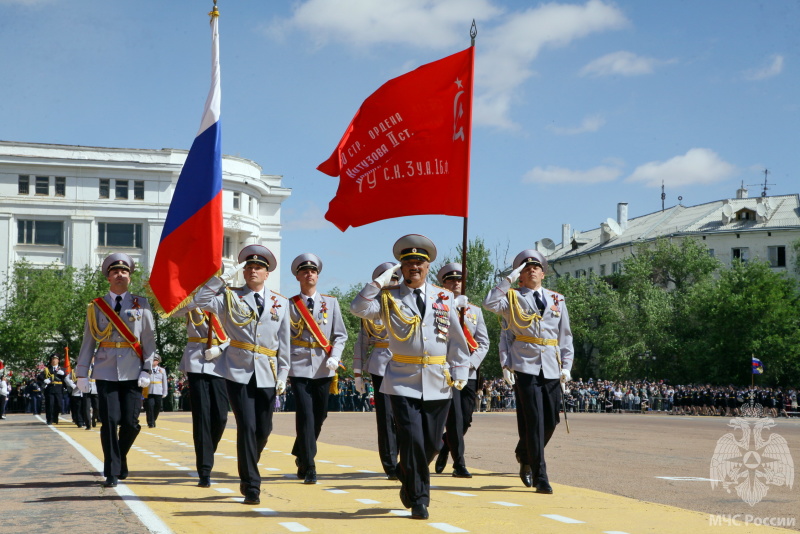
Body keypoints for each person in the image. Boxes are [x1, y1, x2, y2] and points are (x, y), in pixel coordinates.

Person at [350, 234, 469, 520]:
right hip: (402, 379)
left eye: (419, 262)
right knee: (413, 439)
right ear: (400, 268)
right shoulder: (388, 297)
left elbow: (455, 337)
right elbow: (358, 308)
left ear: (428, 267)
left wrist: (461, 369)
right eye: (408, 263)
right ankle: (419, 498)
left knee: (431, 443)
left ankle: (407, 472)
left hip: (439, 379)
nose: (414, 267)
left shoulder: (444, 296)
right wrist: (380, 281)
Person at [194, 244, 290, 506]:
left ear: (267, 273)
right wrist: (222, 279)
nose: (252, 271)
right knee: (246, 426)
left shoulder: (280, 302)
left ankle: (249, 466)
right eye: (248, 267)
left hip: (268, 372)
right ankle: (251, 485)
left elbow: (284, 343)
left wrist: (283, 374)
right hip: (238, 370)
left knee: (264, 428)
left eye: (258, 267)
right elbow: (200, 300)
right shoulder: (230, 297)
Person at [483, 249, 573, 495]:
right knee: (533, 421)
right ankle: (540, 474)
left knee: (551, 420)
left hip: (552, 366)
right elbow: (489, 303)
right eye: (526, 268)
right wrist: (508, 279)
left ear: (543, 273)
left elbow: (565, 336)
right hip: (526, 365)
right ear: (520, 275)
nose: (532, 270)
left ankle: (524, 453)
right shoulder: (511, 298)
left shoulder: (557, 300)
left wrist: (567, 367)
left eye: (536, 267)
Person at [75, 253, 156, 488]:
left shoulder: (142, 304)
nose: (120, 275)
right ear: (108, 277)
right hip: (105, 370)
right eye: (115, 272)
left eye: (124, 272)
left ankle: (119, 457)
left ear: (130, 277)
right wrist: (82, 373)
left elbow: (149, 341)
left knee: (131, 424)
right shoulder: (96, 306)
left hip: (134, 370)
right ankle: (111, 470)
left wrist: (148, 369)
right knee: (109, 421)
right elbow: (88, 341)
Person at [288, 253, 348, 485]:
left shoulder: (330, 303)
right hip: (299, 366)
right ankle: (310, 464)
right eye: (304, 271)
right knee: (305, 414)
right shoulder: (290, 304)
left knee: (320, 414)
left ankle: (301, 451)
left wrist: (335, 356)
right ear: (298, 277)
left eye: (313, 271)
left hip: (325, 366)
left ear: (317, 276)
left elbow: (340, 334)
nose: (309, 274)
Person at [434, 262, 490, 478]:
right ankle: (460, 463)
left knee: (465, 419)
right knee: (455, 418)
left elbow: (483, 343)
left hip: (470, 373)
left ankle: (447, 445)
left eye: (459, 280)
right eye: (450, 280)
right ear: (443, 284)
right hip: (447, 371)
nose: (455, 283)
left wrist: (471, 363)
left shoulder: (474, 311)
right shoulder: (436, 307)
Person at [172, 304, 230, 488]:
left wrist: (221, 348)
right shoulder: (191, 298)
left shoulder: (228, 299)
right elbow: (173, 312)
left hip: (221, 360)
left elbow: (240, 331)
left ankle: (207, 452)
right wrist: (193, 299)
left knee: (220, 416)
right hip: (197, 359)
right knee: (202, 415)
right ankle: (204, 469)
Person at [353, 261, 401, 480]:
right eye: (389, 278)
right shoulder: (374, 307)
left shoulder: (408, 303)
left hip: (407, 363)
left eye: (395, 278)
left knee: (405, 415)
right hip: (380, 365)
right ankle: (390, 463)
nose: (393, 282)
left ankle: (407, 457)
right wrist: (357, 373)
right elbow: (362, 343)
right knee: (386, 417)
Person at [41, 355, 66, 425]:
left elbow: (66, 379)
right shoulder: (47, 369)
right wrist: (44, 380)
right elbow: (40, 377)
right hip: (50, 389)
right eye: (53, 359)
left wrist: (63, 375)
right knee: (50, 404)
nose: (54, 360)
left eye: (56, 359)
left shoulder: (62, 369)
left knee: (58, 404)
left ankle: (55, 417)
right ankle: (49, 419)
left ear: (58, 360)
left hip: (58, 389)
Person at [144, 355, 168, 428]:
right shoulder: (147, 369)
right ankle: (150, 422)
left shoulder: (162, 370)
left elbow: (164, 382)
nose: (153, 361)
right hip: (149, 391)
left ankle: (153, 419)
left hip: (158, 391)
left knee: (157, 407)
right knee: (150, 407)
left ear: (158, 361)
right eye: (152, 360)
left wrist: (165, 392)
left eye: (155, 360)